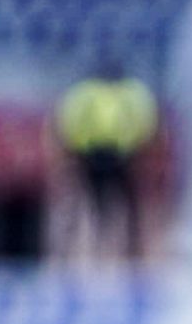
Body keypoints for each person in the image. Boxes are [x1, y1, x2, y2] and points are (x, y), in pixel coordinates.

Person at [55, 62, 160, 261]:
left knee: (108, 206)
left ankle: (117, 251)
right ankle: (117, 251)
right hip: (107, 155)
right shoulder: (129, 92)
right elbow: (145, 123)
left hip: (103, 154)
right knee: (108, 206)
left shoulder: (87, 93)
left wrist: (72, 149)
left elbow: (69, 122)